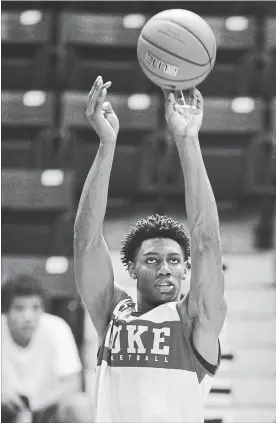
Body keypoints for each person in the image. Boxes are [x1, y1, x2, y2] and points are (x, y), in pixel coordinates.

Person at [74, 75, 227, 423]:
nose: (165, 268)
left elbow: (206, 240)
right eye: (152, 260)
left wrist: (187, 140)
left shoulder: (195, 320)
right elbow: (86, 241)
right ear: (131, 269)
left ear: (186, 269)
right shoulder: (113, 314)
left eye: (175, 260)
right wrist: (106, 145)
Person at [1, 274, 94, 423]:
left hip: (46, 408)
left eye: (35, 307)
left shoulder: (57, 328)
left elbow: (73, 383)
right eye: (19, 308)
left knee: (80, 406)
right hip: (5, 410)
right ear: (5, 312)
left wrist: (33, 406)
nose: (28, 317)